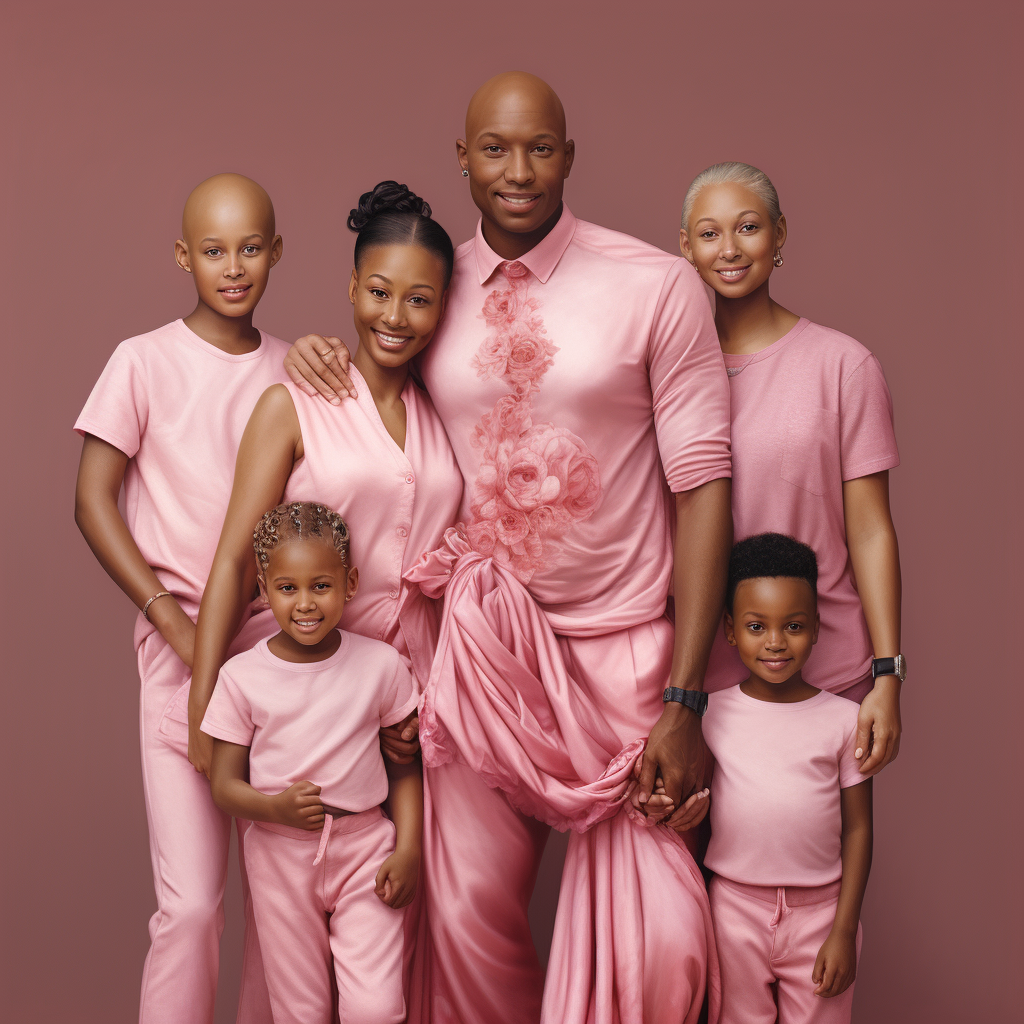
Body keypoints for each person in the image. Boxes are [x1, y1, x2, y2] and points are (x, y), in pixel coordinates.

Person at [285, 73, 731, 1024]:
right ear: (463, 159)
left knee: (659, 952)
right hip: (479, 653)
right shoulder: (437, 291)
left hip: (623, 655)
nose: (517, 170)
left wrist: (687, 697)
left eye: (539, 149)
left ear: (569, 156)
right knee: (462, 918)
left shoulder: (657, 283)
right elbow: (378, 349)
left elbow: (705, 492)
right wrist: (309, 354)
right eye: (494, 148)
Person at [189, 181, 462, 1001]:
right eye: (378, 292)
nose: (394, 315)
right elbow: (235, 560)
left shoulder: (444, 409)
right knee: (294, 942)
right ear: (350, 288)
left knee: (404, 917)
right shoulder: (294, 400)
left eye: (419, 299)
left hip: (418, 685)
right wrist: (206, 711)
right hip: (310, 678)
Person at [73, 173, 286, 1024]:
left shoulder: (293, 369)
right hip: (177, 655)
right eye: (212, 250)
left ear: (276, 251)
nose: (232, 267)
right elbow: (91, 500)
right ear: (182, 256)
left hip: (277, 662)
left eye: (248, 248)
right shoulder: (143, 360)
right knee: (194, 905)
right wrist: (169, 618)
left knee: (282, 914)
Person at [680, 162, 903, 774]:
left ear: (779, 235)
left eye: (748, 227)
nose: (729, 249)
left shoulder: (843, 365)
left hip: (825, 669)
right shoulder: (664, 375)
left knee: (818, 863)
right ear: (686, 249)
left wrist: (889, 673)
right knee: (698, 865)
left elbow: (871, 530)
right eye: (709, 232)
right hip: (698, 679)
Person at [203, 501, 422, 1024]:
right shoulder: (241, 678)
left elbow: (405, 768)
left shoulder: (381, 667)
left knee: (376, 1008)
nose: (305, 603)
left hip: (366, 849)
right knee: (300, 1011)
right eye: (288, 588)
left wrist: (409, 847)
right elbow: (223, 786)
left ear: (349, 584)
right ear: (263, 589)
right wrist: (274, 809)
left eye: (321, 586)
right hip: (279, 857)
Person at [693, 533, 872, 1023]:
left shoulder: (843, 719)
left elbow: (858, 830)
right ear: (730, 630)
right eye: (756, 626)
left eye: (793, 625)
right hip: (732, 910)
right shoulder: (710, 713)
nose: (775, 642)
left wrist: (843, 928)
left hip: (822, 916)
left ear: (816, 628)